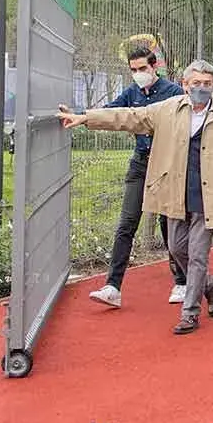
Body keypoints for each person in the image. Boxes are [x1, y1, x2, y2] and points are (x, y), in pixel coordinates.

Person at [58, 61, 213, 335]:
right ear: (185, 85)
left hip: (208, 196)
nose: (201, 88)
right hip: (175, 193)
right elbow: (129, 117)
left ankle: (190, 313)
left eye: (207, 84)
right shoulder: (167, 110)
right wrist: (85, 117)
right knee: (177, 248)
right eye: (196, 83)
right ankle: (209, 283)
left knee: (197, 255)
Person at [85, 44, 187, 309]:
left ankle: (182, 281)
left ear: (154, 66)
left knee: (168, 223)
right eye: (133, 70)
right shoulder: (131, 92)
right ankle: (112, 287)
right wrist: (82, 117)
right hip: (140, 163)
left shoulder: (174, 93)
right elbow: (112, 113)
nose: (138, 73)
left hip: (166, 165)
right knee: (127, 223)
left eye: (142, 68)